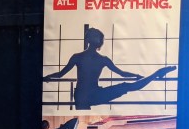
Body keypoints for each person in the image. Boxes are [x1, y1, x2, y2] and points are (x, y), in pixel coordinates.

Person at [43, 27, 176, 110]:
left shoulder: (81, 57)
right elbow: (122, 73)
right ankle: (155, 75)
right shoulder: (100, 59)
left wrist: (47, 78)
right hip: (92, 95)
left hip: (83, 95)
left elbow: (60, 74)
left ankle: (155, 75)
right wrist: (139, 76)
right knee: (126, 86)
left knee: (125, 86)